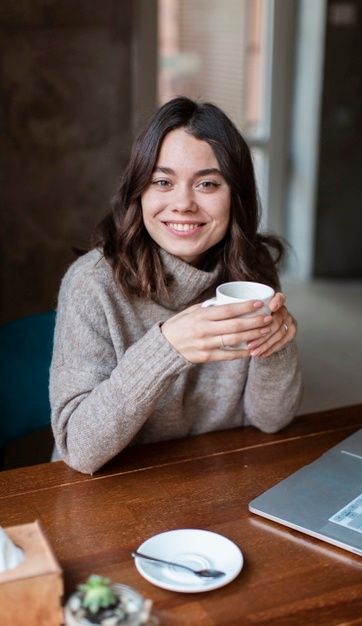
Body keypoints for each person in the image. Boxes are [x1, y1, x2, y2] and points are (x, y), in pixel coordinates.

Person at [50, 96, 302, 474]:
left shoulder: (252, 269)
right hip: (109, 490)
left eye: (207, 184)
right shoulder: (91, 285)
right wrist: (167, 348)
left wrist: (276, 347)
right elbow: (79, 450)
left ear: (236, 195)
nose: (183, 203)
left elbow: (271, 420)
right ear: (139, 191)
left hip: (213, 479)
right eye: (163, 181)